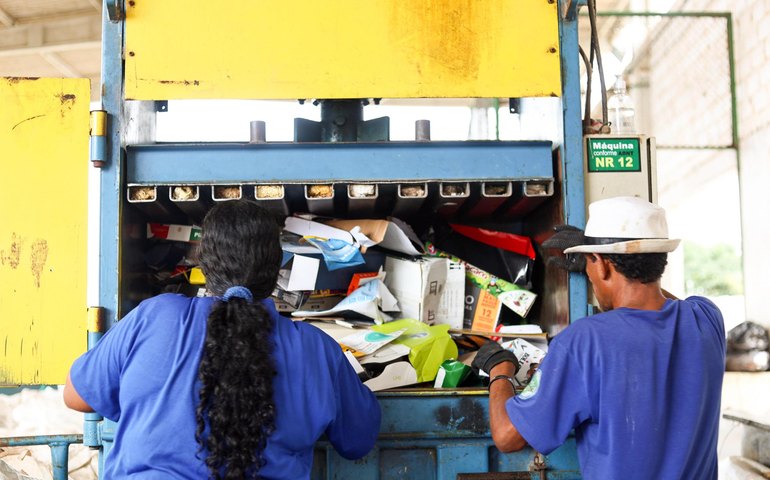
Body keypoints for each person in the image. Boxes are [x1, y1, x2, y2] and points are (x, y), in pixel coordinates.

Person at [64, 200, 381, 479]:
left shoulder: (154, 317)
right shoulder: (316, 349)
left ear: (203, 263)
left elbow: (76, 396)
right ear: (276, 267)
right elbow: (358, 440)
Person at [472, 196, 725, 479]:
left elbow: (507, 436)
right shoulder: (707, 319)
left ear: (602, 266)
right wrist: (604, 259)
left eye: (592, 264)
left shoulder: (585, 342)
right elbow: (658, 297)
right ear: (660, 260)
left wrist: (499, 368)